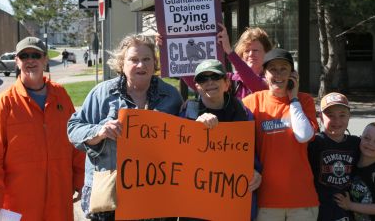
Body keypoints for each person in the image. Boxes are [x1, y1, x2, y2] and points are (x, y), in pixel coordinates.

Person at [67, 34, 183, 221]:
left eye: (146, 59)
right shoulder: (102, 94)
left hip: (157, 198)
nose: (141, 65)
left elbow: (187, 141)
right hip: (111, 199)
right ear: (122, 63)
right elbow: (73, 129)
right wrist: (100, 131)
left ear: (155, 62)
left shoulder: (171, 96)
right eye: (134, 60)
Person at [0, 36, 85, 220]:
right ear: (17, 62)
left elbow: (76, 143)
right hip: (20, 206)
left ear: (45, 60)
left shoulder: (61, 96)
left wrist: (81, 181)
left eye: (36, 55)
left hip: (59, 201)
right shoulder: (4, 103)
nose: (30, 60)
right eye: (24, 56)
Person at [179, 59, 262, 221]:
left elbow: (252, 152)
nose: (209, 82)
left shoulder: (243, 113)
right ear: (197, 86)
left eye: (215, 77)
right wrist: (194, 130)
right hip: (198, 204)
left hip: (234, 201)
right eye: (203, 79)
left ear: (226, 83)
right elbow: (178, 157)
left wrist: (257, 173)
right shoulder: (187, 113)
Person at [242, 48, 319, 221]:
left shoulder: (304, 100)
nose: (278, 74)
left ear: (293, 74)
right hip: (266, 199)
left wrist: (293, 99)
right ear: (264, 73)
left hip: (302, 200)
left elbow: (304, 136)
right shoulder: (251, 102)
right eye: (272, 69)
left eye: (283, 68)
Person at [308, 92, 375, 221]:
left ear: (349, 116)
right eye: (330, 115)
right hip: (320, 207)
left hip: (345, 209)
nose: (336, 120)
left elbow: (372, 163)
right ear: (320, 117)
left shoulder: (356, 143)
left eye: (342, 115)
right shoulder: (314, 143)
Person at [334, 122, 375, 221]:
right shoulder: (350, 160)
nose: (370, 143)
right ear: (360, 138)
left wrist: (350, 205)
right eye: (367, 138)